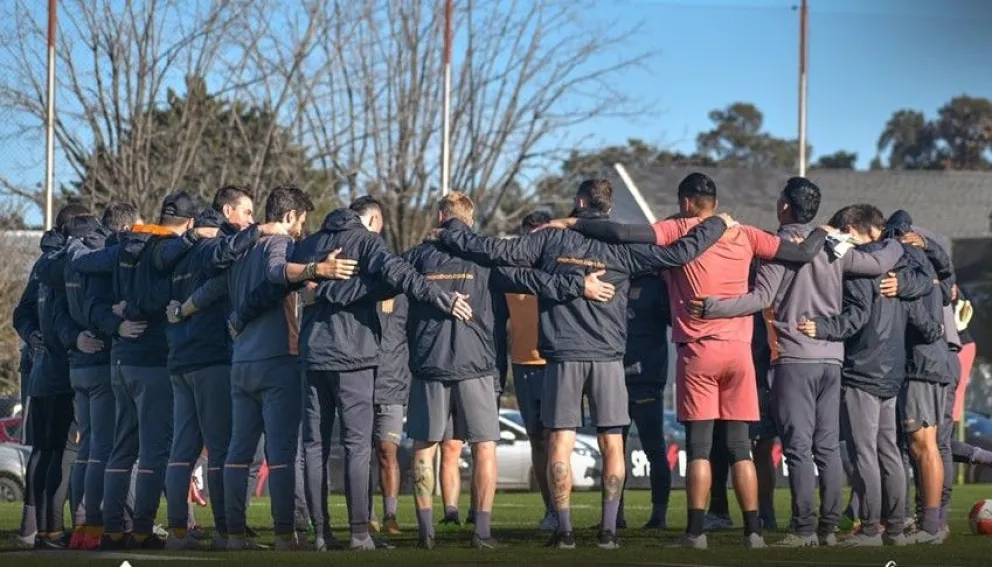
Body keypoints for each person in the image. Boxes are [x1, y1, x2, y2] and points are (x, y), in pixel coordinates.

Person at [436, 178, 732, 550]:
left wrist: (454, 228)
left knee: (560, 440)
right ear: (607, 210)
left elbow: (493, 252)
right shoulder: (622, 248)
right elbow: (678, 254)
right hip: (609, 357)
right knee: (612, 444)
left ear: (577, 202)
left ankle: (565, 531)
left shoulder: (549, 239)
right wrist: (717, 224)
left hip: (562, 356)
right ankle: (608, 532)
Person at [550, 173, 834, 549]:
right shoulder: (746, 233)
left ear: (685, 203)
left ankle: (696, 533)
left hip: (699, 351)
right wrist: (822, 231)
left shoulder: (680, 229)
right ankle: (754, 533)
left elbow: (621, 234)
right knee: (740, 449)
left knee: (699, 448)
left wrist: (571, 222)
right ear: (715, 203)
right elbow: (800, 254)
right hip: (739, 354)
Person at [692, 178, 904, 547]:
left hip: (794, 358)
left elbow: (759, 298)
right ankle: (828, 530)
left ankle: (803, 529)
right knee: (827, 449)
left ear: (785, 207)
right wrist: (901, 238)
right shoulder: (836, 247)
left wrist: (712, 306)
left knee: (799, 449)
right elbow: (880, 261)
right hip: (832, 360)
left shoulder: (780, 248)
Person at [405, 191, 616, 549]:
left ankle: (426, 533)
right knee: (485, 447)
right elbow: (535, 281)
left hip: (430, 363)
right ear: (469, 221)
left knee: (425, 448)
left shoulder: (417, 257)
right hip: (476, 364)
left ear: (441, 217)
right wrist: (579, 283)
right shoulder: (485, 263)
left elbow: (383, 275)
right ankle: (482, 533)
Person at [219, 185, 355, 551]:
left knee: (239, 451)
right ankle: (284, 535)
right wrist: (317, 268)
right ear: (290, 216)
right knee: (282, 452)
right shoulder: (276, 242)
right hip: (276, 358)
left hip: (241, 361)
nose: (301, 230)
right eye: (301, 221)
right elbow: (279, 273)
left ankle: (233, 534)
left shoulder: (242, 249)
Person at [797, 204, 942, 546]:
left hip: (863, 369)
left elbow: (856, 319)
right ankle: (895, 529)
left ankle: (871, 529)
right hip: (892, 372)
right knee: (888, 451)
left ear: (851, 228)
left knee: (865, 454)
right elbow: (926, 304)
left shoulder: (861, 268)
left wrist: (820, 328)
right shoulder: (899, 266)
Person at [71, 193, 207, 549]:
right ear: (190, 223)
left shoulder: (120, 248)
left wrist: (117, 319)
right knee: (153, 450)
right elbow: (159, 289)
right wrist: (136, 309)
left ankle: (113, 528)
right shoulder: (164, 247)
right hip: (150, 359)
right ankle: (142, 529)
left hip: (120, 359)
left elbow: (84, 267)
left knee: (121, 448)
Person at [162, 185, 290, 550]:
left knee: (182, 449)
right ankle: (226, 532)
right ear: (229, 211)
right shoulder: (216, 242)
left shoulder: (181, 247)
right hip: (210, 358)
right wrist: (259, 232)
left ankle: (177, 532)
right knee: (221, 448)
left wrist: (178, 311)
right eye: (247, 213)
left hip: (179, 358)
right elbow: (219, 277)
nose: (251, 219)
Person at [62, 203, 142, 550]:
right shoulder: (104, 256)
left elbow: (52, 311)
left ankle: (82, 524)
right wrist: (114, 320)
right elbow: (97, 306)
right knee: (104, 449)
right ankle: (105, 524)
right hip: (101, 360)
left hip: (77, 363)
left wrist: (71, 337)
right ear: (122, 230)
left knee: (88, 449)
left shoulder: (64, 259)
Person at [17, 204, 94, 549]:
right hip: (63, 368)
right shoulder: (67, 264)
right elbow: (61, 317)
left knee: (44, 451)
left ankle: (37, 530)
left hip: (43, 369)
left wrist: (33, 334)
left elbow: (24, 312)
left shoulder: (43, 265)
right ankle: (54, 530)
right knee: (63, 452)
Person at [881, 210, 949, 544]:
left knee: (923, 445)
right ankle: (924, 522)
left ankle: (930, 526)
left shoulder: (907, 256)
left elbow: (920, 306)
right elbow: (944, 280)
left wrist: (901, 285)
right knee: (919, 445)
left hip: (921, 363)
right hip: (926, 362)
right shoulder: (928, 257)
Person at [506, 211, 556, 530]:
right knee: (537, 439)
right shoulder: (510, 276)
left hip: (555, 364)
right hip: (522, 365)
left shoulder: (558, 271)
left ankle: (560, 511)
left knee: (556, 439)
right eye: (529, 236)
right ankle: (550, 509)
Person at [618, 273, 671, 529]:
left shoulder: (656, 285)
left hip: (647, 379)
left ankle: (659, 515)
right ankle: (614, 514)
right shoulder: (615, 278)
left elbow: (675, 319)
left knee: (654, 448)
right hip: (614, 379)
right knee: (613, 450)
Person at [372, 293, 411, 535]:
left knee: (387, 451)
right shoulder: (361, 292)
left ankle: (390, 516)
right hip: (360, 385)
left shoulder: (404, 299)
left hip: (392, 388)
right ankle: (365, 514)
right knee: (360, 454)